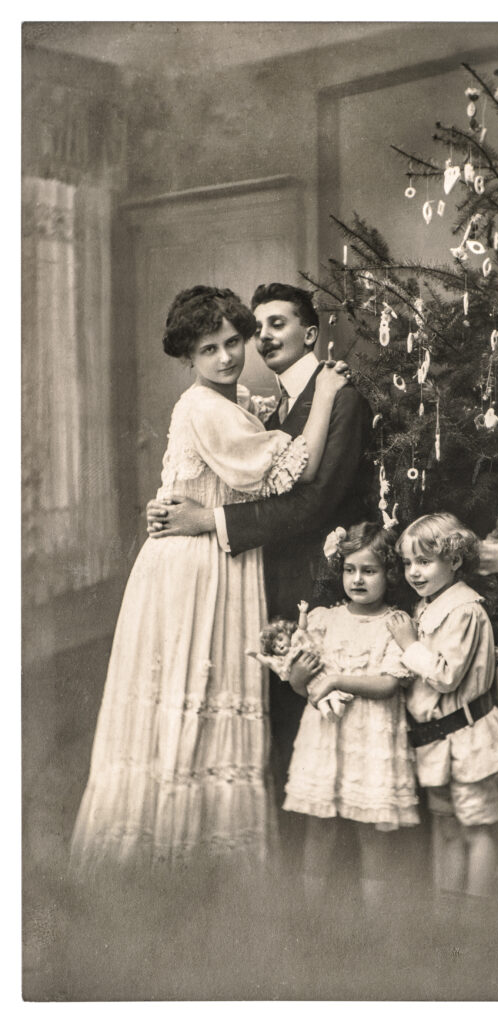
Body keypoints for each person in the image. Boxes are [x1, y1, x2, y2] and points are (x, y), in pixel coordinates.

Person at [70, 285, 348, 874]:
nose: (225, 357)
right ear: (187, 358)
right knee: (193, 692)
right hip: (196, 568)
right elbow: (297, 470)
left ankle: (192, 851)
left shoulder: (231, 400)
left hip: (205, 554)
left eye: (232, 342)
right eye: (207, 350)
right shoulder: (205, 407)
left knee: (200, 693)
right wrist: (323, 392)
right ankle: (177, 855)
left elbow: (201, 478)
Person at [145, 283, 373, 813]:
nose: (262, 337)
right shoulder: (251, 404)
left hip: (308, 583)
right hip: (249, 580)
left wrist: (205, 518)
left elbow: (313, 503)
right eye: (260, 325)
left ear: (310, 334)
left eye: (279, 324)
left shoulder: (338, 396)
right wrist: (172, 504)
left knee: (307, 735)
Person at [282, 522, 419, 914]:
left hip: (370, 738)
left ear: (390, 573)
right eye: (350, 570)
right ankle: (310, 917)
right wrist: (300, 676)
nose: (357, 579)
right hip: (326, 738)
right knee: (319, 827)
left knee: (371, 830)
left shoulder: (395, 624)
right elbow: (300, 686)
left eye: (369, 570)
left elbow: (390, 684)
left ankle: (374, 923)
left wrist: (339, 679)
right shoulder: (324, 619)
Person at [386, 513, 498, 906]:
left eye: (424, 562)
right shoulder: (428, 606)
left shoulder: (464, 610)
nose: (413, 572)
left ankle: (475, 920)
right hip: (436, 739)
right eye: (408, 563)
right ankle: (446, 917)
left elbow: (445, 676)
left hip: (469, 737)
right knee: (444, 825)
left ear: (455, 560)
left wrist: (409, 644)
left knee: (477, 826)